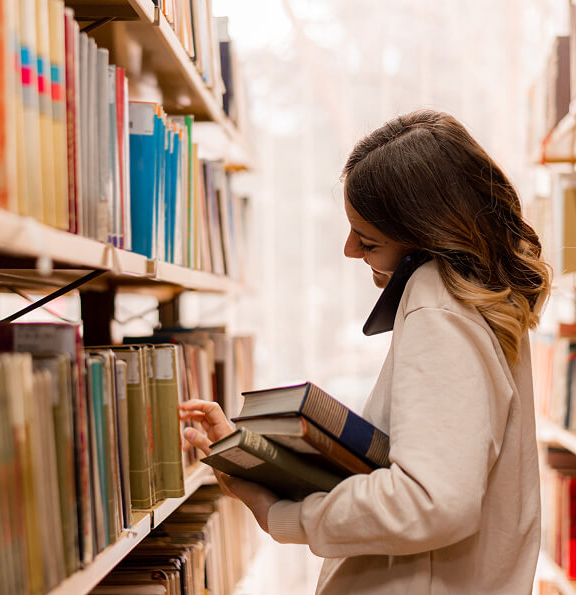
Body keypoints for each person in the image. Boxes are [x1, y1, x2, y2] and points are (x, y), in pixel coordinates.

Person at [179, 110, 551, 594]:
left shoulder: (437, 306)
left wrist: (285, 515)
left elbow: (431, 501)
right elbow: (435, 467)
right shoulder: (474, 297)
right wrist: (267, 462)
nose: (350, 250)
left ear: (427, 235)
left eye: (369, 240)